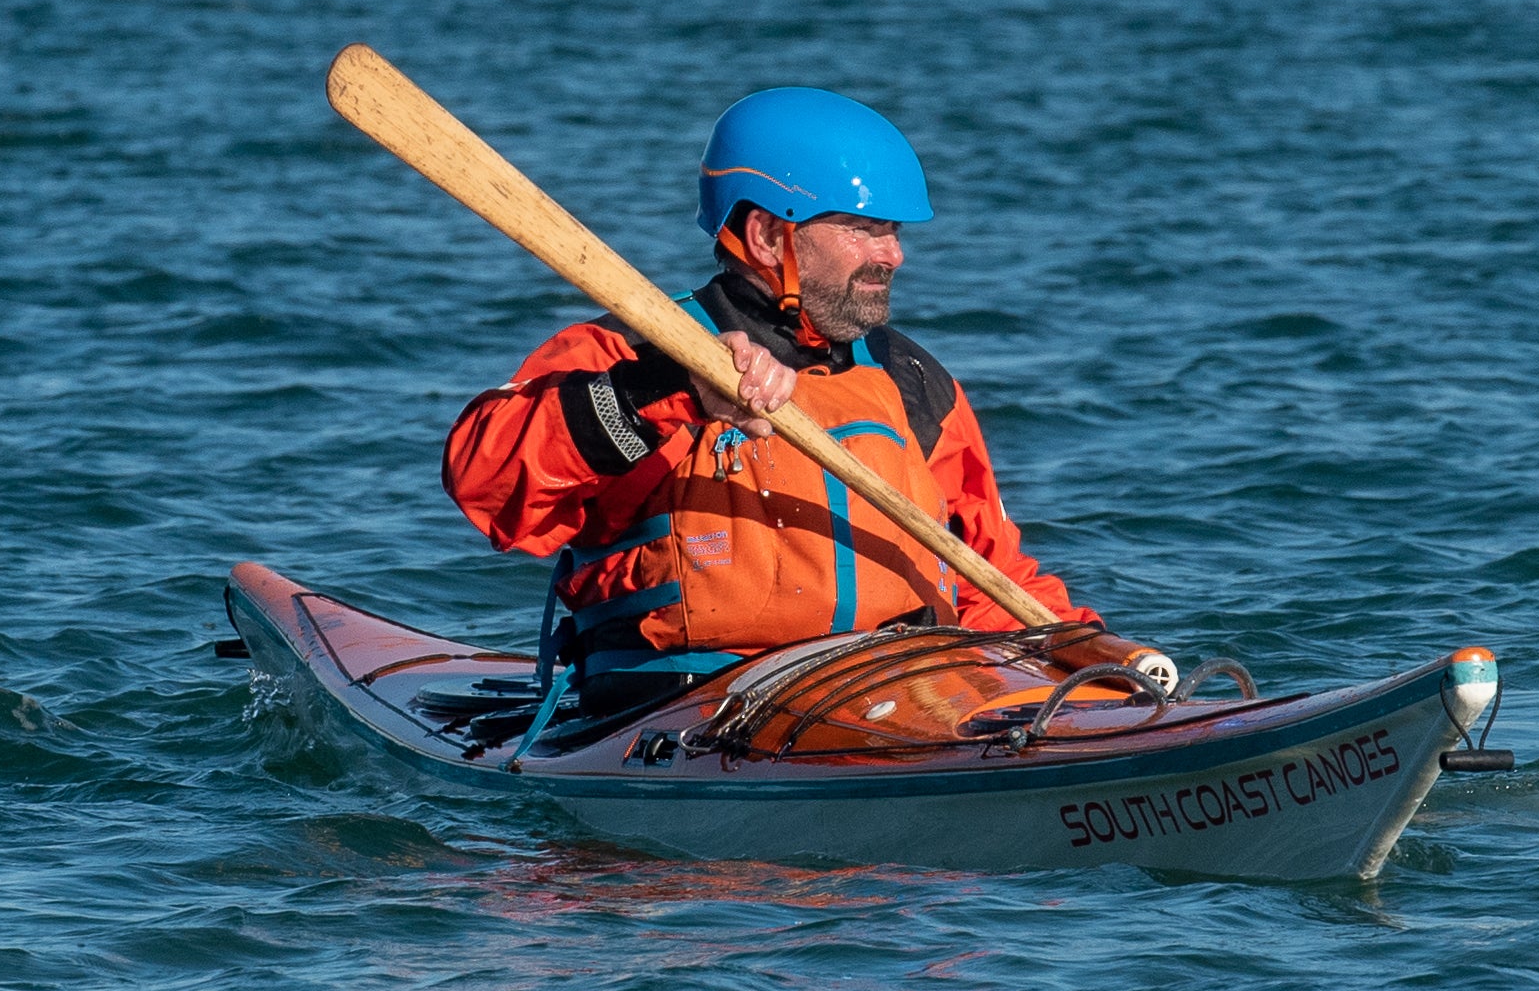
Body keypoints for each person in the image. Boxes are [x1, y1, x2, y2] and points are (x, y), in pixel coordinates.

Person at [443, 87, 1150, 733]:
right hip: (690, 714)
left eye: (895, 231)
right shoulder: (631, 352)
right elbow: (484, 478)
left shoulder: (914, 386)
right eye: (863, 228)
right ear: (765, 236)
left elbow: (988, 573)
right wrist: (671, 387)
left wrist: (1090, 658)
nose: (894, 254)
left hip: (906, 700)